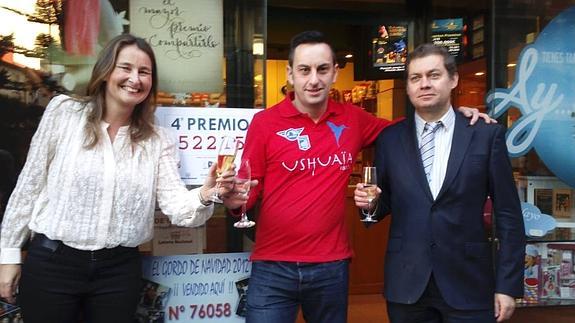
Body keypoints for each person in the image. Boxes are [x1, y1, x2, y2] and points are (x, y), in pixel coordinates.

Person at [223, 31, 491, 323]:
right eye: (304, 70)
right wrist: (236, 202)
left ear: (335, 73)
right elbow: (247, 189)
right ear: (290, 73)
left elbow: (403, 129)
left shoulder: (353, 119)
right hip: (273, 265)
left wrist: (453, 115)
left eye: (322, 69)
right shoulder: (264, 124)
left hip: (331, 266)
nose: (314, 79)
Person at [0, 33, 234, 323]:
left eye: (144, 72)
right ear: (106, 71)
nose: (135, 78)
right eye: (126, 68)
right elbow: (29, 184)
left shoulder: (158, 139)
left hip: (117, 272)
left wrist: (204, 193)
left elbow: (177, 207)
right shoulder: (64, 113)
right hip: (53, 263)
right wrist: (8, 254)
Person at [354, 43, 525, 323]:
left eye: (433, 75)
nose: (424, 84)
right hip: (407, 283)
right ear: (408, 87)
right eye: (415, 78)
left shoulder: (484, 135)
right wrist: (368, 204)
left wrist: (507, 285)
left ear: (453, 79)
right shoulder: (390, 139)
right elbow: (381, 204)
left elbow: (508, 215)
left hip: (469, 282)